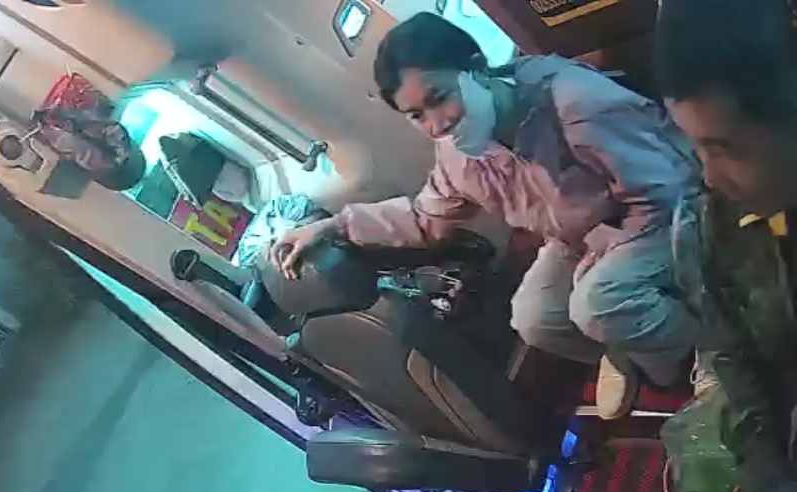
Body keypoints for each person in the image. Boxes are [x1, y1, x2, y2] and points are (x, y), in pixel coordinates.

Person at [268, 13, 700, 419]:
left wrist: (603, 260)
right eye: (417, 116)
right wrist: (333, 226)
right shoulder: (459, 155)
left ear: (477, 68)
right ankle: (629, 345)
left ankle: (708, 350)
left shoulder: (574, 103)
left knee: (596, 302)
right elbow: (426, 218)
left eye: (439, 98)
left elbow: (663, 189)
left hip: (663, 214)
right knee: (533, 317)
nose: (436, 125)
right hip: (581, 235)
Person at [654, 0, 797, 492]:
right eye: (695, 147)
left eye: (723, 149)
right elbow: (739, 367)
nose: (709, 177)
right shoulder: (710, 224)